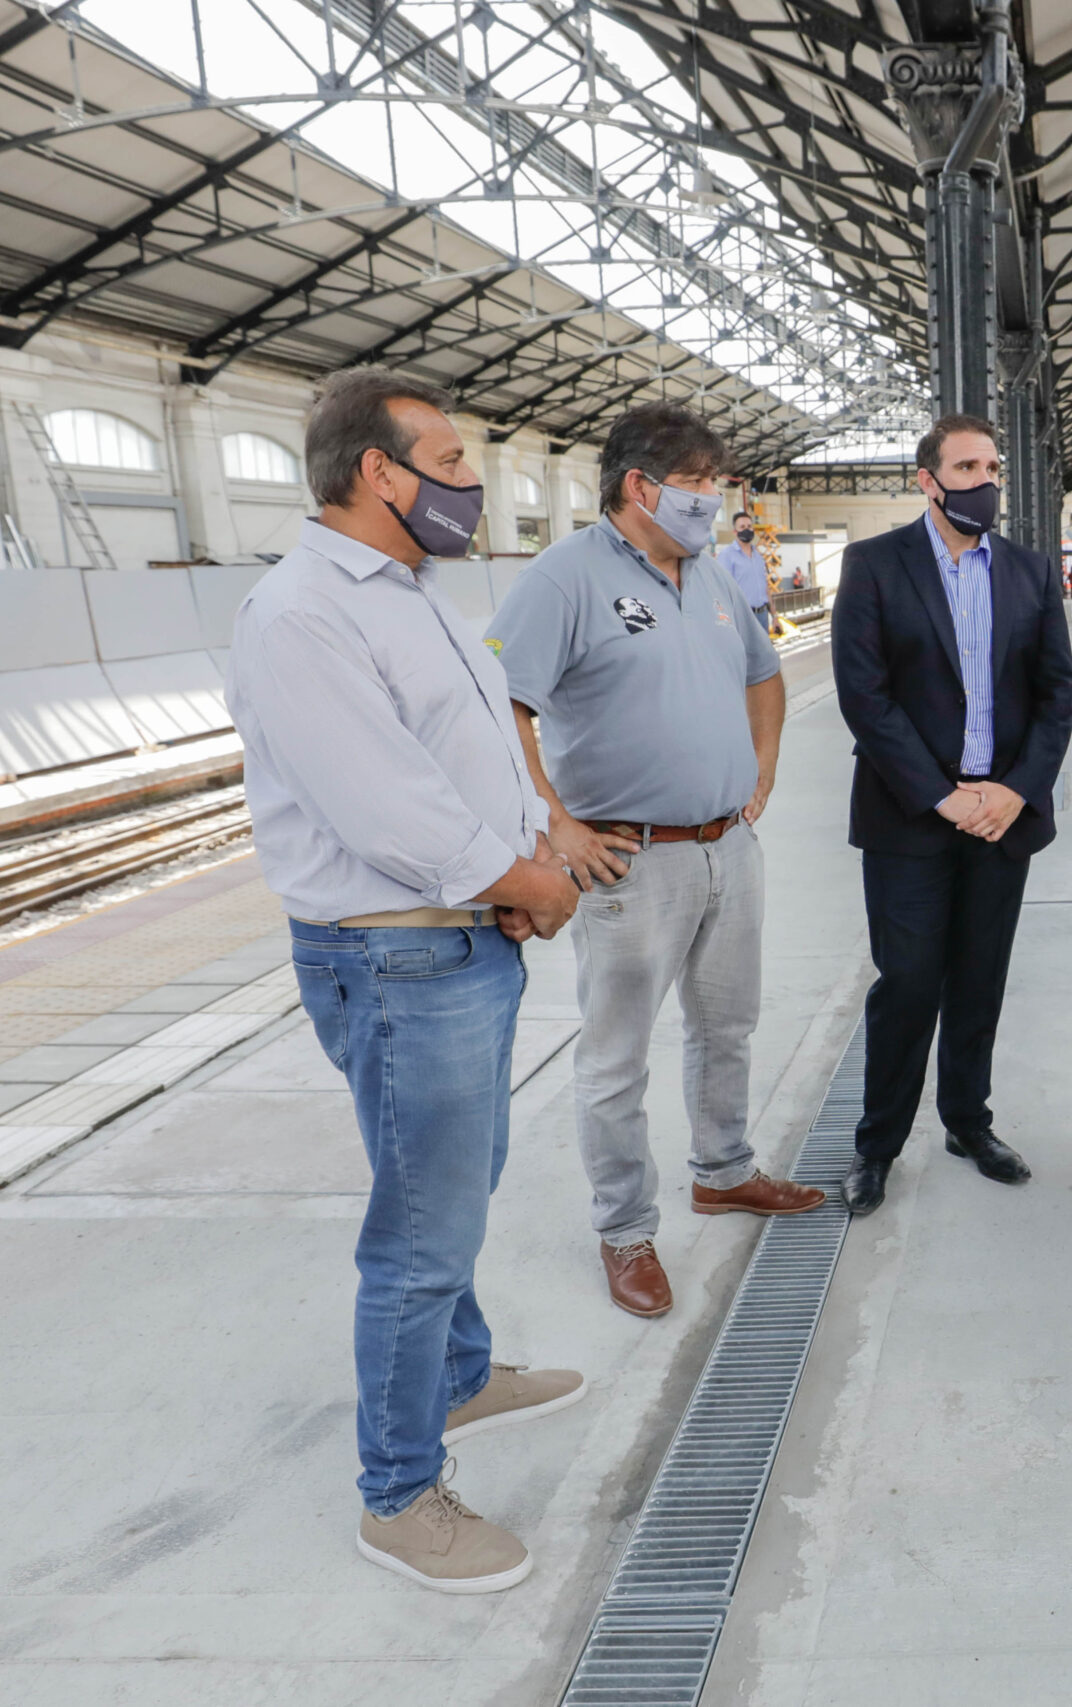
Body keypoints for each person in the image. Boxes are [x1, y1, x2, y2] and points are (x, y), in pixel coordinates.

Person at [228, 368, 586, 1593]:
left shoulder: (418, 593)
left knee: (457, 1183)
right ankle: (397, 1493)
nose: (472, 482)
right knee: (422, 1229)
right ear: (378, 471)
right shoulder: (303, 614)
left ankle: (462, 1376)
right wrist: (521, 880)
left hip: (462, 932)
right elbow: (380, 802)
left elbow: (470, 750)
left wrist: (530, 841)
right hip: (399, 948)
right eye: (448, 458)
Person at [487, 402, 822, 1321]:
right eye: (700, 483)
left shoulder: (710, 573)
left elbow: (764, 671)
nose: (713, 500)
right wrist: (558, 824)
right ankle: (625, 1228)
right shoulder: (565, 579)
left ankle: (723, 1172)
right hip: (633, 864)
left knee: (727, 1028)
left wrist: (763, 770)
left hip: (728, 847)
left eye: (717, 482)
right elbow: (501, 705)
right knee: (615, 1059)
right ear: (641, 486)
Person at [831, 412, 1072, 1217]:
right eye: (968, 467)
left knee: (980, 978)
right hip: (911, 813)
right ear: (927, 479)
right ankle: (877, 1144)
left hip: (1001, 814)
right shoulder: (873, 565)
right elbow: (864, 696)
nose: (987, 482)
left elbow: (1055, 694)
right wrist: (942, 795)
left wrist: (1013, 790)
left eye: (993, 466)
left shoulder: (1030, 572)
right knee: (907, 983)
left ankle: (969, 1122)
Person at [717, 512, 776, 634]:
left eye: (749, 526)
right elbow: (722, 589)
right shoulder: (727, 556)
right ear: (735, 531)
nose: (747, 530)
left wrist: (775, 616)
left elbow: (765, 588)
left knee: (764, 653)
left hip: (762, 615)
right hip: (742, 618)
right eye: (742, 527)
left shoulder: (758, 556)